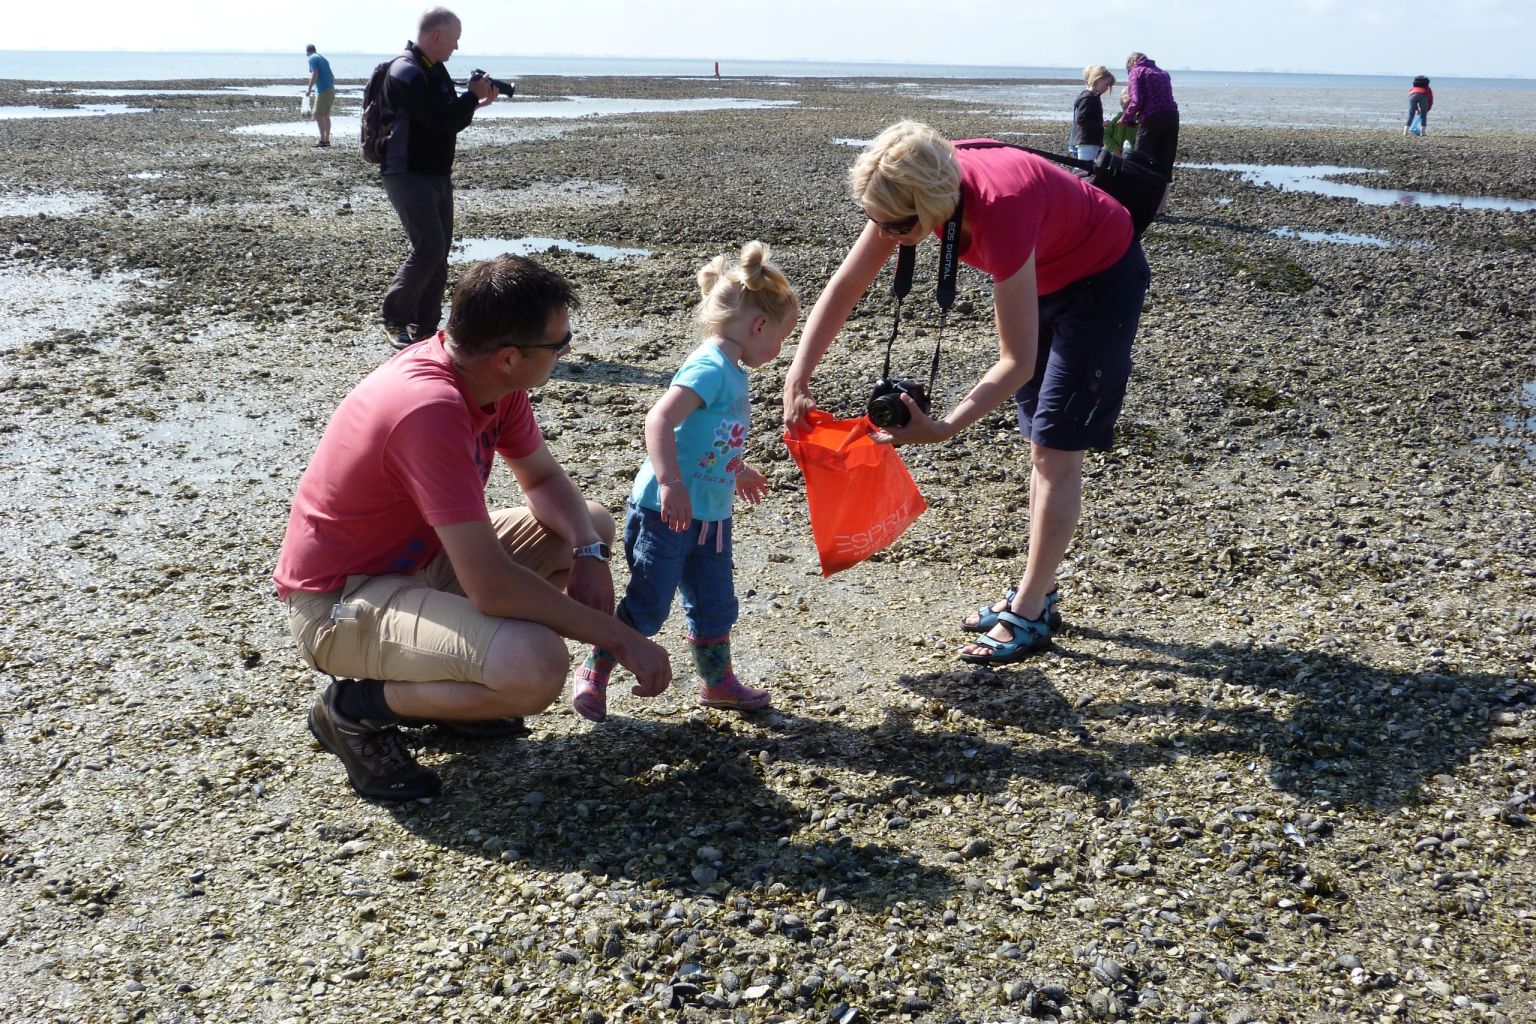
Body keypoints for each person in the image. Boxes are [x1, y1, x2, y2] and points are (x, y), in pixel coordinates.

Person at [274, 255, 673, 800]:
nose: (566, 353)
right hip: (339, 602)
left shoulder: (489, 382)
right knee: (534, 666)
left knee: (589, 525)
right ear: (511, 356)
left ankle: (457, 686)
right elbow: (489, 583)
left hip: (419, 563)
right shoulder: (429, 408)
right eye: (560, 344)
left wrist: (588, 555)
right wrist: (620, 638)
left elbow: (543, 478)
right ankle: (351, 711)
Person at [782, 121, 1150, 665]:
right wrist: (798, 375)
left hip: (1100, 279)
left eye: (897, 225)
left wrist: (946, 426)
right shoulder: (906, 189)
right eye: (871, 220)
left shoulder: (1000, 207)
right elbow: (846, 284)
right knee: (1040, 445)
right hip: (1042, 267)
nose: (883, 233)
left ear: (933, 205)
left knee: (1055, 447)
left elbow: (1015, 362)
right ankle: (1039, 588)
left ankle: (1029, 610)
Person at [571, 242, 799, 721]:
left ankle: (717, 682)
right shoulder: (710, 366)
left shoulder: (733, 371)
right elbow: (659, 420)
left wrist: (738, 469)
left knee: (716, 603)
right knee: (650, 605)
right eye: (782, 339)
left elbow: (709, 438)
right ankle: (596, 668)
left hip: (711, 514)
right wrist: (670, 483)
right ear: (760, 326)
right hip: (665, 511)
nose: (778, 352)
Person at [379, 7, 501, 351]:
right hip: (406, 172)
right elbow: (436, 120)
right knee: (428, 247)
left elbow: (450, 119)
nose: (456, 47)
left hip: (435, 174)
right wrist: (469, 96)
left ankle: (425, 329)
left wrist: (474, 102)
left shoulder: (435, 70)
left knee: (439, 251)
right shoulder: (406, 71)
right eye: (454, 39)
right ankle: (395, 317)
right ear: (437, 37)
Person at [1123, 52, 1179, 175]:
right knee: (1165, 163)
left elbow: (1136, 101)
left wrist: (1125, 119)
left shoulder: (1136, 71)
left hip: (1152, 118)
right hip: (1172, 117)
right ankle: (1161, 192)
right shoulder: (1163, 73)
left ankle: (1139, 191)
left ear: (1131, 63)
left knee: (1141, 160)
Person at [1069, 65, 1115, 162]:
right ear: (1097, 79)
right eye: (1106, 84)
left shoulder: (1094, 96)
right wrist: (1101, 124)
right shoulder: (1088, 97)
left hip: (1092, 141)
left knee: (1089, 169)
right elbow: (1081, 120)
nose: (1107, 88)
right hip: (1086, 141)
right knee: (1084, 169)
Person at [303, 44, 335, 148]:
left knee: (317, 114)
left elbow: (315, 73)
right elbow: (332, 76)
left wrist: (309, 88)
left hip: (323, 90)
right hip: (330, 89)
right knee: (325, 115)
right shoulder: (323, 59)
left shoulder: (312, 58)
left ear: (307, 52)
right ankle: (326, 140)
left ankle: (322, 140)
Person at [1103, 88, 1136, 156]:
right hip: (1114, 155)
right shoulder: (1116, 120)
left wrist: (1130, 150)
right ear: (1121, 102)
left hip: (1130, 155)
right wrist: (1114, 148)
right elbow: (1105, 135)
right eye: (1125, 108)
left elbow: (1139, 140)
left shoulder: (1137, 122)